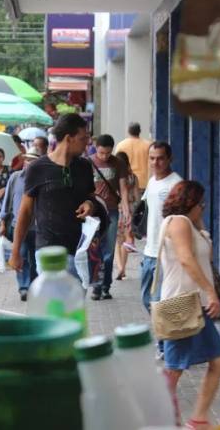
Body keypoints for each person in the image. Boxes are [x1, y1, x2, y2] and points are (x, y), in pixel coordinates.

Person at [159, 180, 220, 430]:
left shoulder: (189, 224)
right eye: (201, 204)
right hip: (181, 302)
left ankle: (198, 419)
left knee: (219, 361)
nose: (203, 208)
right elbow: (186, 260)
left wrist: (199, 224)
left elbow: (204, 256)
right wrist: (211, 292)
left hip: (196, 304)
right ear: (191, 202)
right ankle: (159, 418)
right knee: (173, 369)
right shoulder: (178, 222)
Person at [10, 113, 101, 277]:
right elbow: (25, 212)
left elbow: (91, 197)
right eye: (82, 138)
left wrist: (90, 204)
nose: (87, 143)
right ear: (68, 138)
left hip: (79, 250)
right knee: (56, 301)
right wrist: (16, 251)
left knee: (74, 301)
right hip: (48, 250)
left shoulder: (84, 167)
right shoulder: (37, 168)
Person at [141, 141, 183, 313]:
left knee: (159, 303)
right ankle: (165, 336)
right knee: (146, 300)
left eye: (160, 159)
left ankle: (164, 339)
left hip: (166, 254)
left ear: (169, 159)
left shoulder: (177, 184)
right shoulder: (151, 182)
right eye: (152, 158)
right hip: (149, 252)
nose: (155, 163)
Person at [88, 134, 131, 301]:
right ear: (95, 148)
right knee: (94, 250)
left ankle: (105, 286)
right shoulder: (88, 162)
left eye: (107, 153)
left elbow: (124, 189)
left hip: (112, 211)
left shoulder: (118, 163)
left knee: (109, 250)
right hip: (93, 212)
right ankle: (96, 286)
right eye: (101, 153)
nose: (104, 156)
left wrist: (126, 210)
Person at [0, 147, 41, 300]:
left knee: (36, 258)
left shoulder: (42, 179)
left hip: (38, 226)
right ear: (24, 161)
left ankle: (35, 286)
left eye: (34, 160)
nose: (30, 163)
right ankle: (23, 287)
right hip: (18, 226)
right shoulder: (15, 178)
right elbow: (7, 201)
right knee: (21, 255)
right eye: (28, 160)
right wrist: (2, 221)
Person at [114, 151, 140, 281]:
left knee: (116, 242)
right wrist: (133, 212)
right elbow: (137, 197)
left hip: (117, 210)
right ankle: (123, 268)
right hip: (129, 210)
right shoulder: (133, 177)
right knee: (126, 241)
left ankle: (120, 268)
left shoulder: (114, 176)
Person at [115, 122, 153, 192]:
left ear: (128, 131)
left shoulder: (121, 145)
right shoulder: (148, 145)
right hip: (144, 183)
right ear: (140, 131)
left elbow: (116, 165)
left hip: (127, 183)